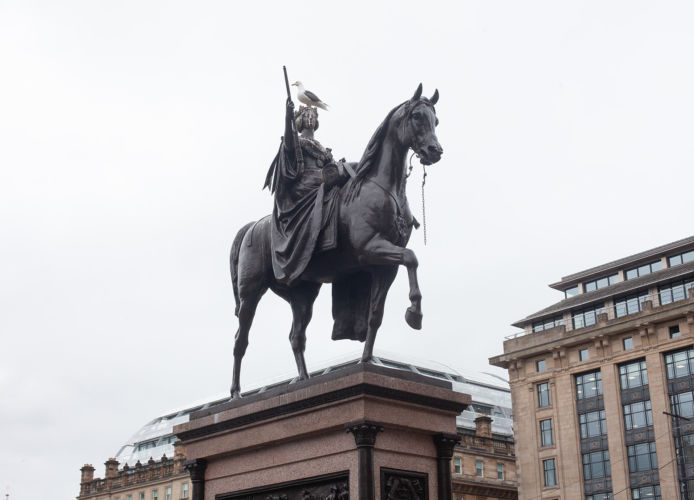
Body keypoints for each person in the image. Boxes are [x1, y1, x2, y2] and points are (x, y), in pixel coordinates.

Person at [263, 99, 352, 285]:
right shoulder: (296, 142)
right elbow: (288, 143)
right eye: (306, 115)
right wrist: (288, 118)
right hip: (304, 188)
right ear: (300, 120)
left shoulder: (321, 148)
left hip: (323, 183)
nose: (309, 117)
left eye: (312, 115)